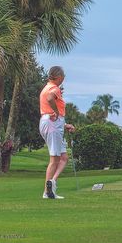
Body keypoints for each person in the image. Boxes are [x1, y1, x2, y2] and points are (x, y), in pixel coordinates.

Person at [39, 66, 75, 199]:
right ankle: (47, 192)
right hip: (52, 124)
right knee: (54, 159)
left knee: (63, 158)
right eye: (63, 76)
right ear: (58, 76)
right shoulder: (54, 88)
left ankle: (52, 183)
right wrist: (57, 112)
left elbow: (49, 111)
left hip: (51, 123)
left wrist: (65, 124)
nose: (64, 78)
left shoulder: (46, 87)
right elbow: (50, 99)